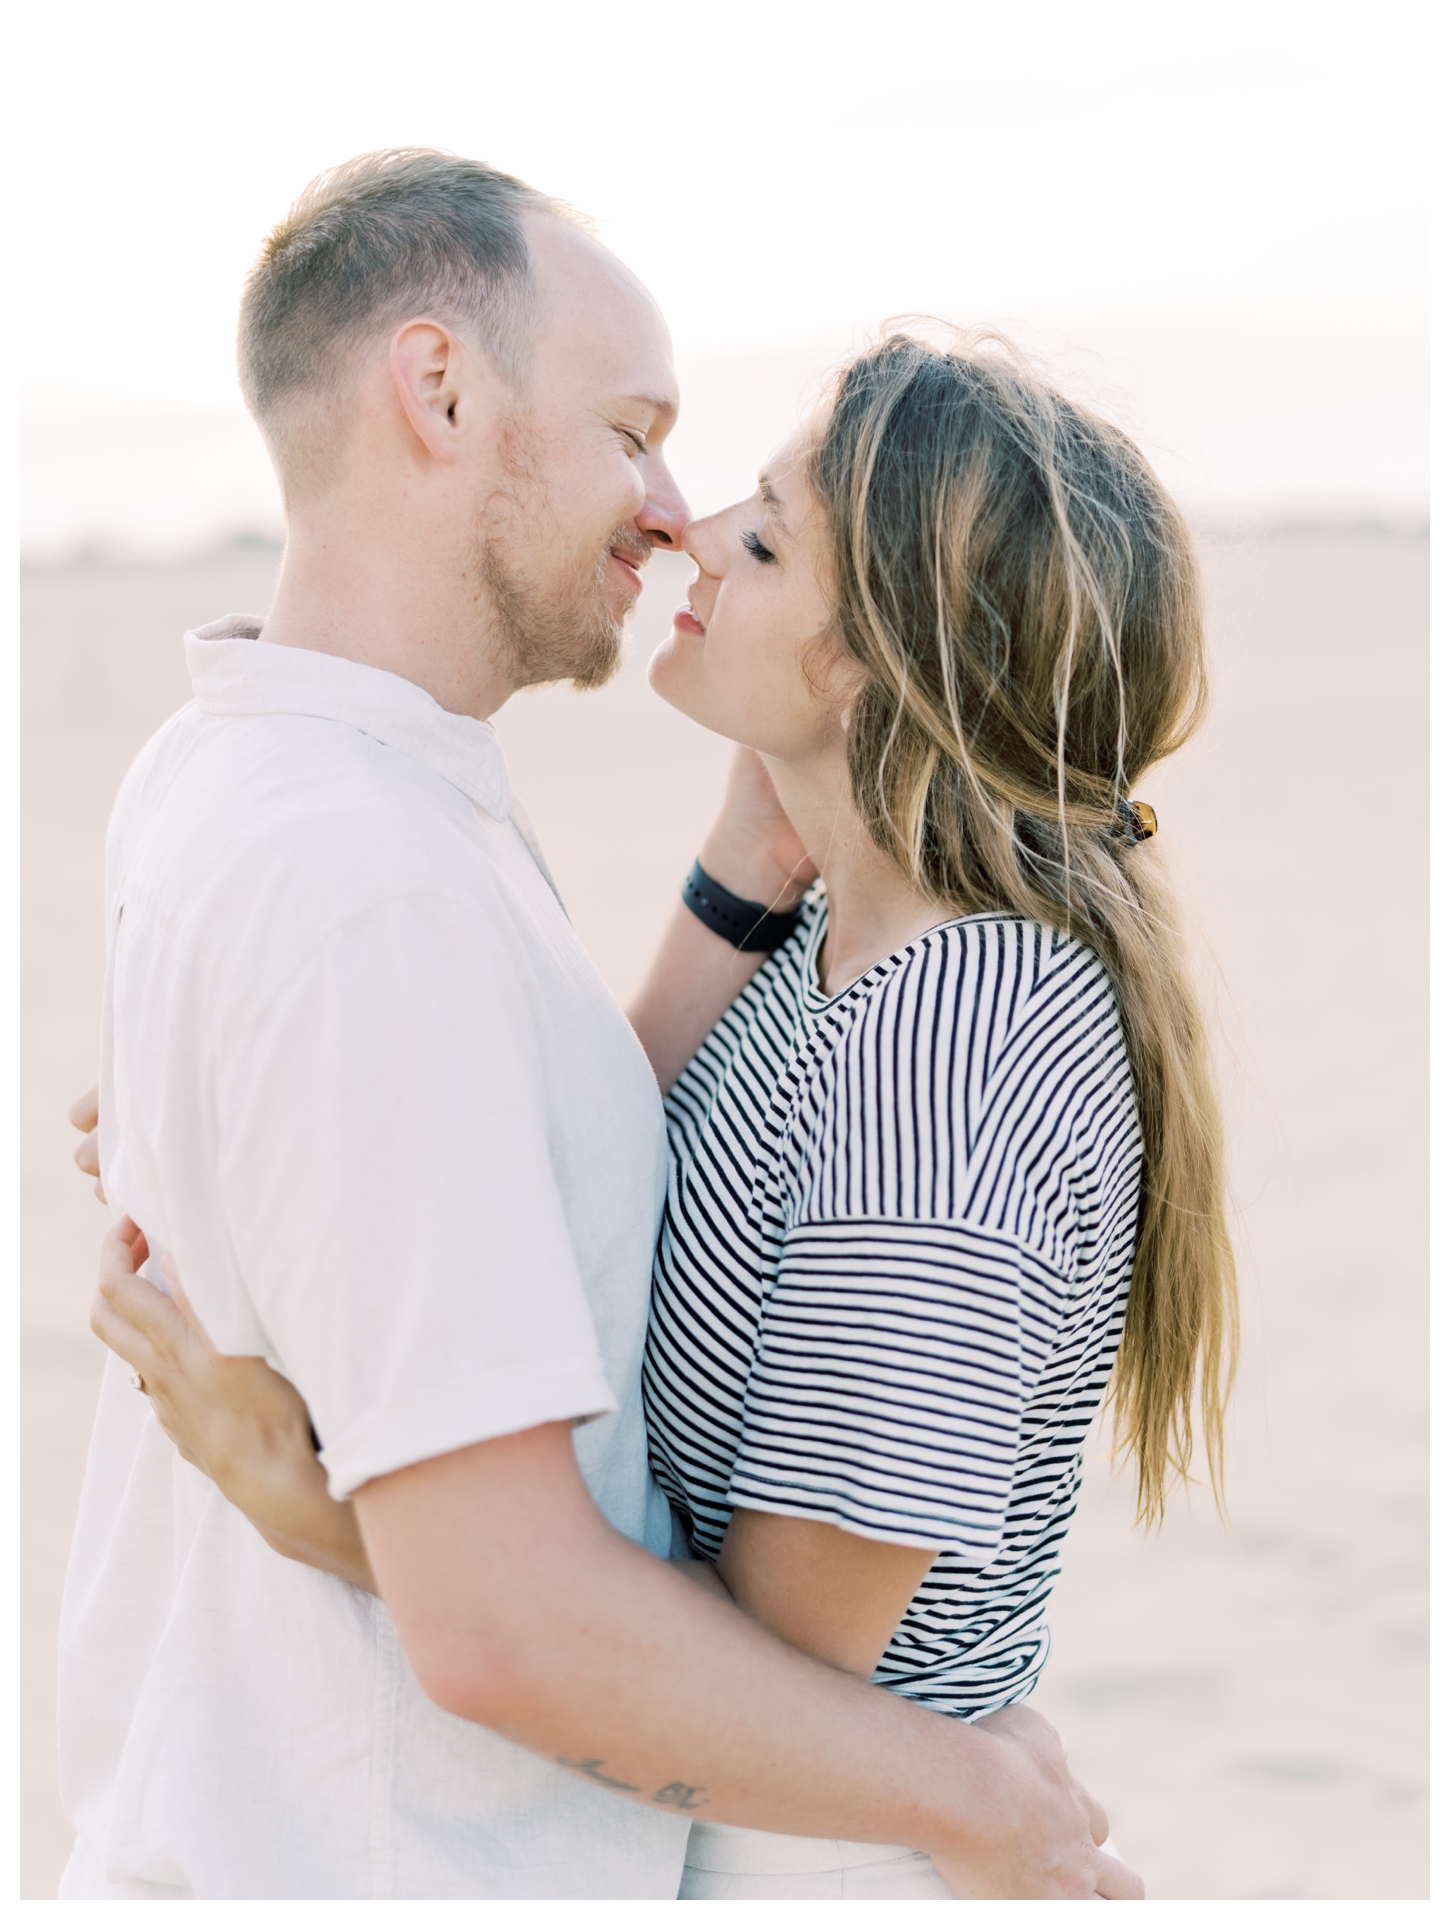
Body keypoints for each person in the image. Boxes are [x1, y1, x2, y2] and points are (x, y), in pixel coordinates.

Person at [57, 150, 1136, 1900]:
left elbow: (533, 1175)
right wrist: (972, 1793)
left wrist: (726, 890)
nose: (669, 509)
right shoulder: (367, 879)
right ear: (439, 388)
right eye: (631, 428)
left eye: (754, 518)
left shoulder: (248, 766)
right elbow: (508, 1623)